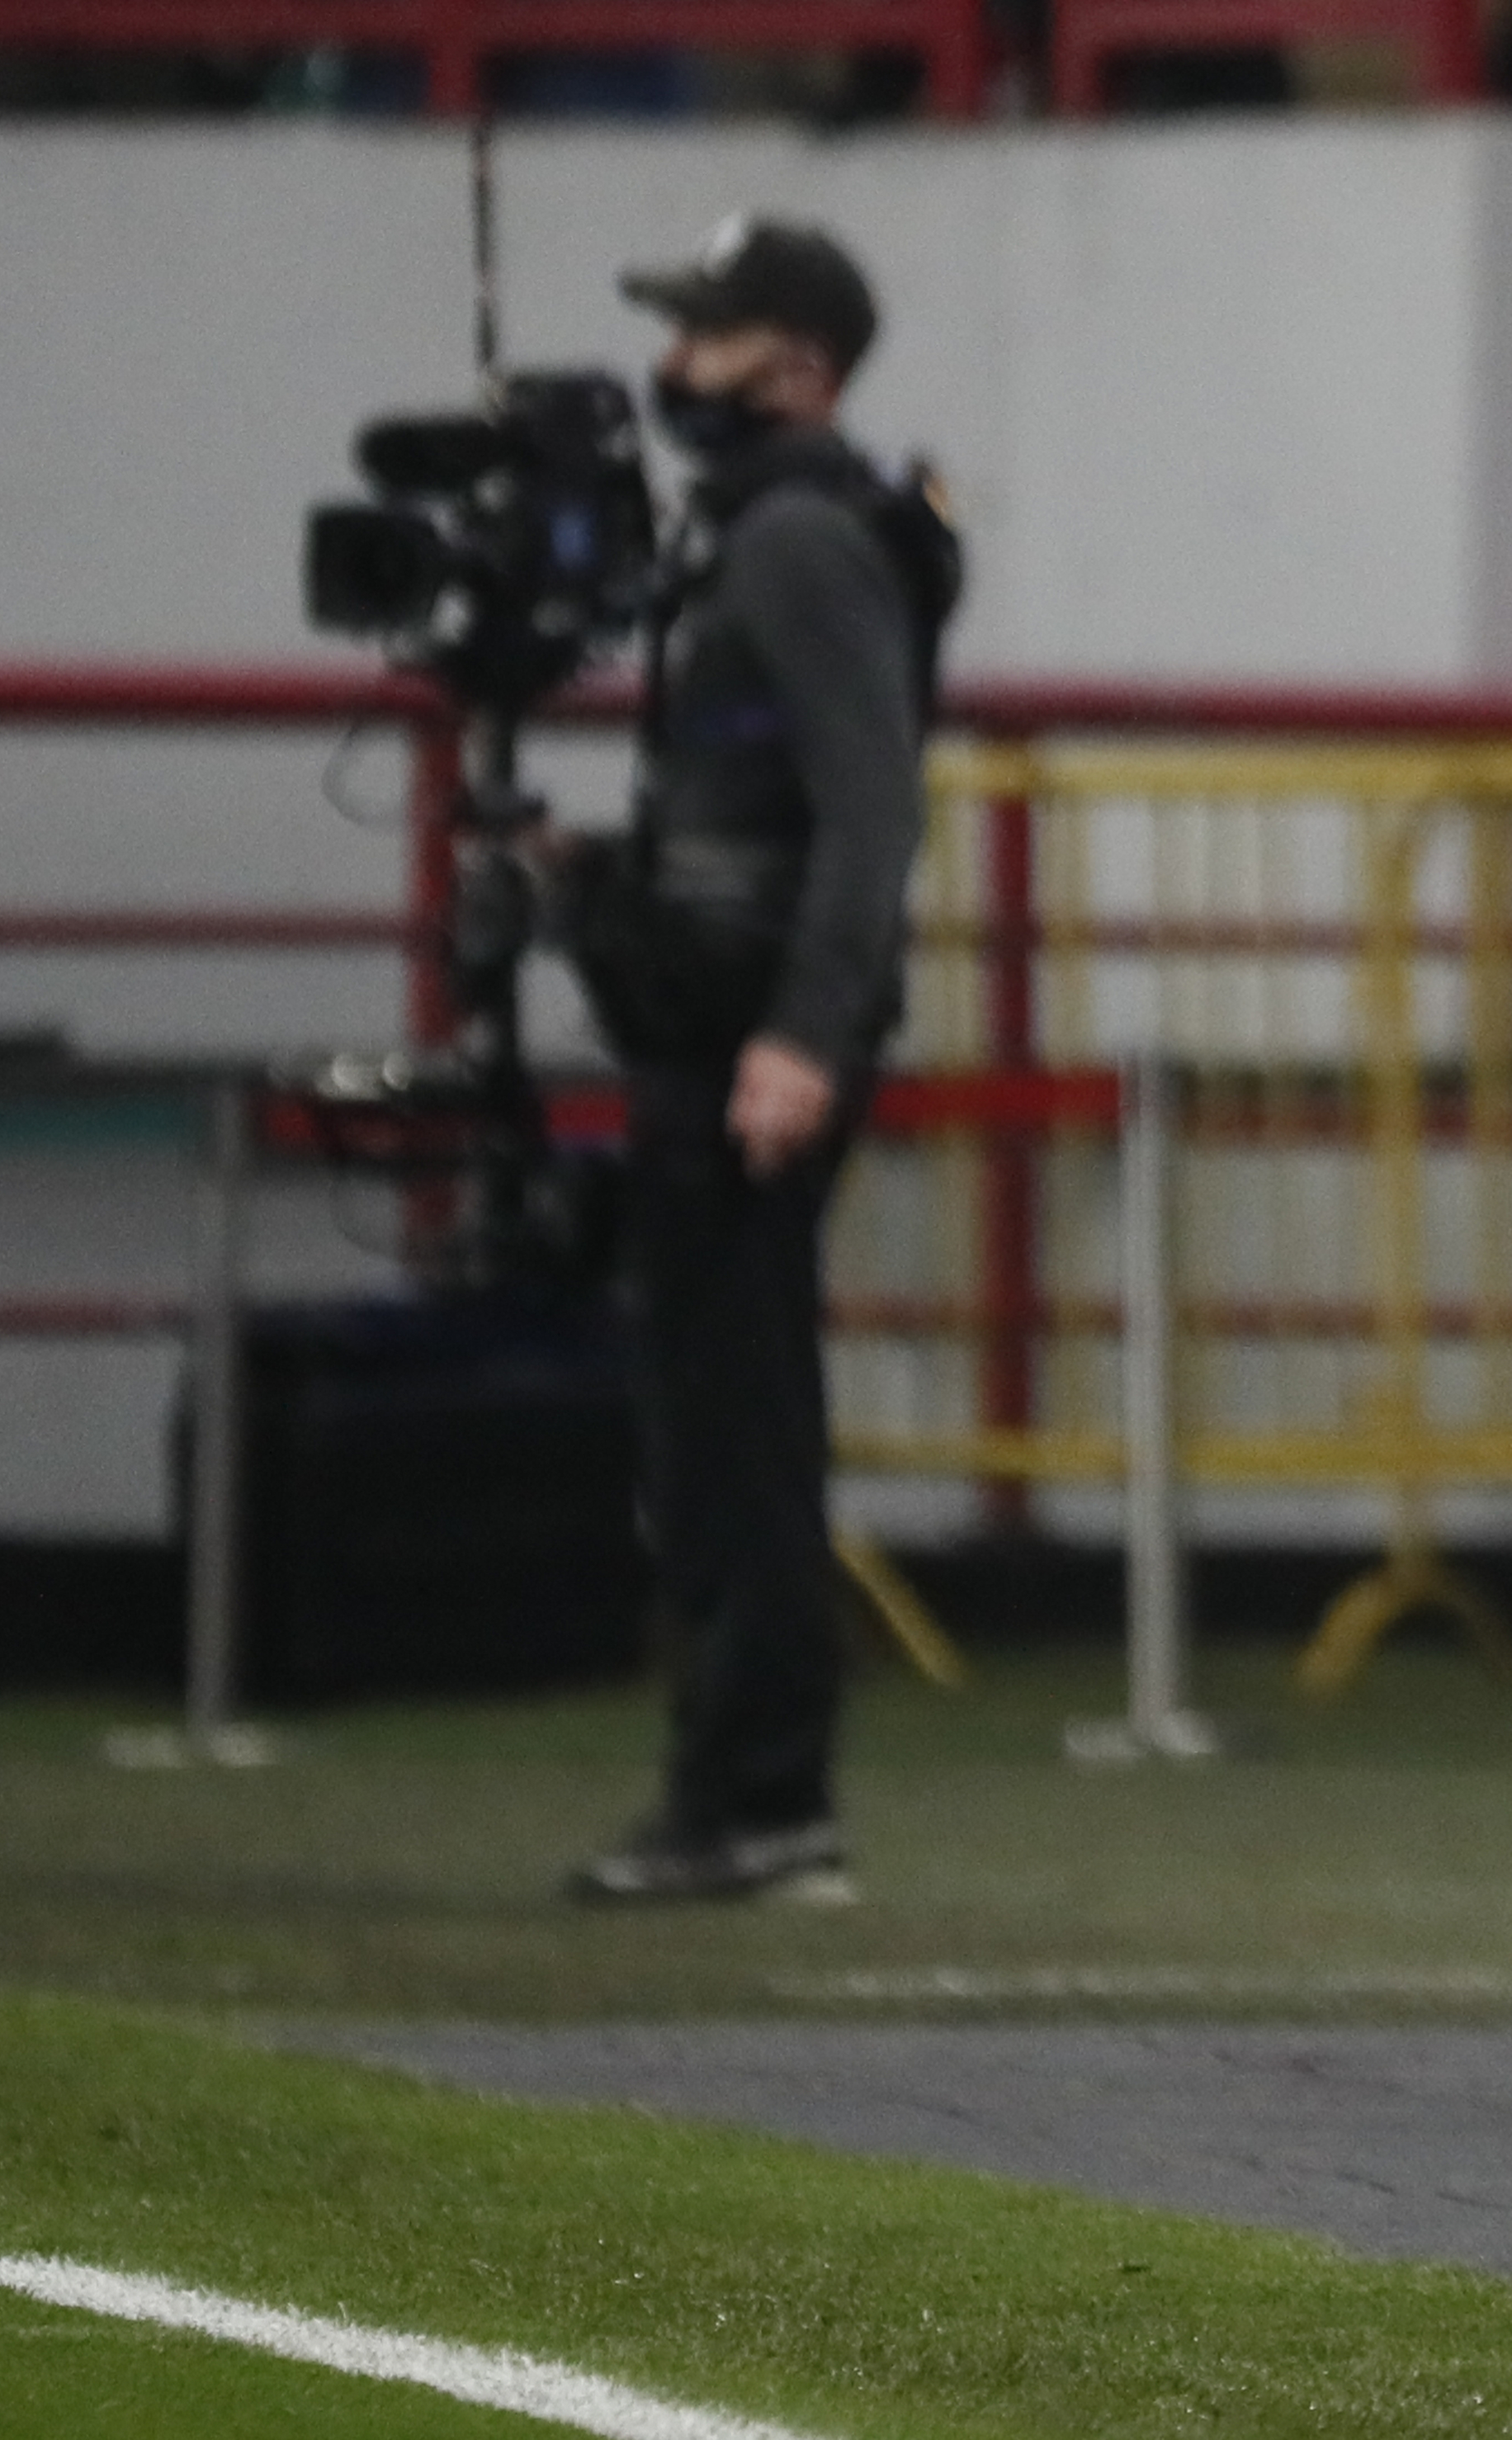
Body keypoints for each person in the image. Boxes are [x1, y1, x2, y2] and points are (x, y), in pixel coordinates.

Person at [559, 214, 952, 1906]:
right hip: (727, 1018)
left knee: (733, 1428)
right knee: (717, 1417)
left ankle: (758, 1791)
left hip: (749, 1037)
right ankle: (738, 1786)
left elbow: (870, 808)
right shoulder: (774, 527)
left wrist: (801, 1029)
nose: (673, 369)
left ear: (793, 362)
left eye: (705, 338)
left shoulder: (792, 541)